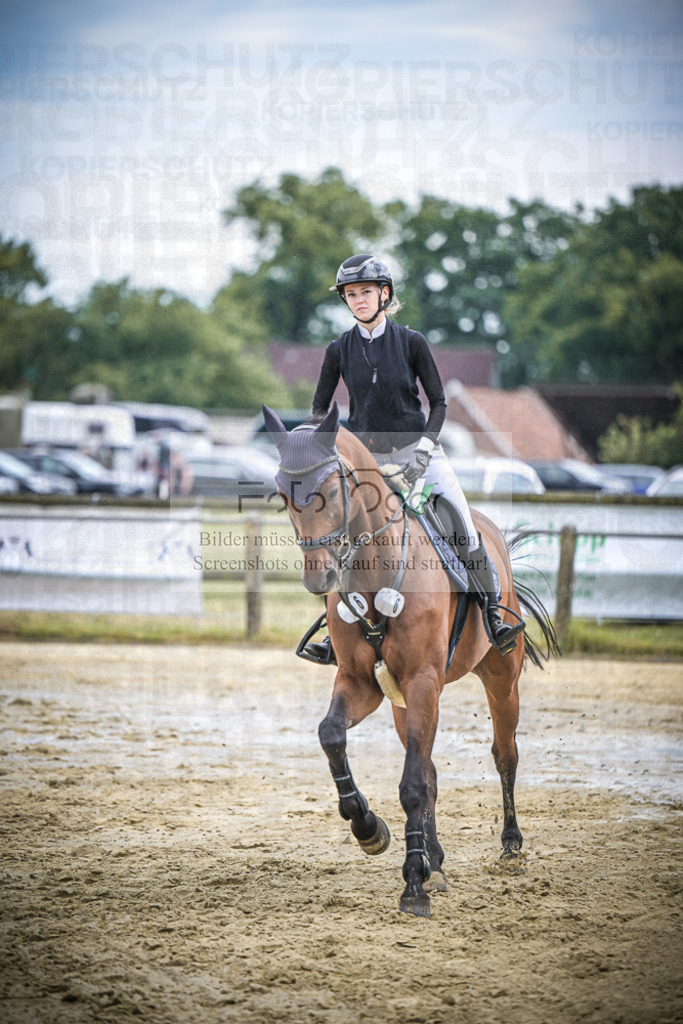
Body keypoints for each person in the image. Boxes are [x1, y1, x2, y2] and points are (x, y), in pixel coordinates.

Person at [302, 253, 524, 662]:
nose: (359, 300)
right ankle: (335, 635)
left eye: (366, 292)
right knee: (343, 541)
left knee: (461, 525)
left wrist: (423, 449)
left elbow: (438, 402)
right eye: (351, 295)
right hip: (368, 464)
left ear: (385, 294)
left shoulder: (411, 342)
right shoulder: (338, 350)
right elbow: (319, 411)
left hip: (418, 453)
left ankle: (495, 615)